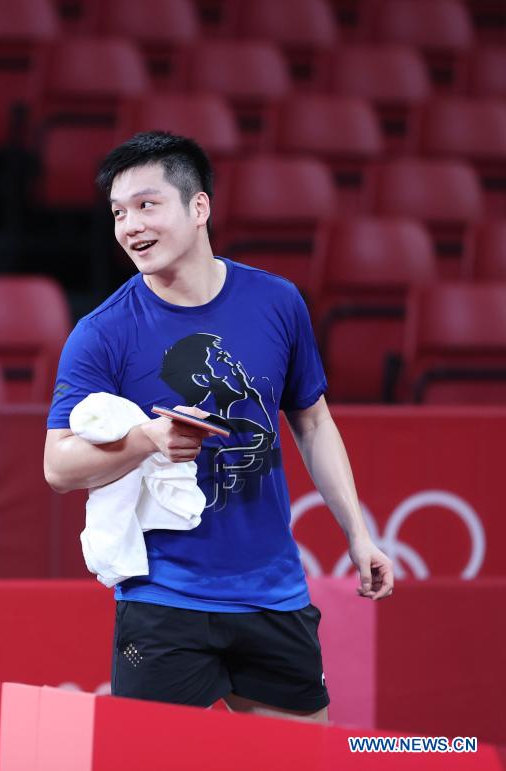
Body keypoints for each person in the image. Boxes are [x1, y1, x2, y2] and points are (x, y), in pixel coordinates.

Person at [43, 131, 393, 722]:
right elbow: (57, 466)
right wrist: (146, 440)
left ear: (198, 207)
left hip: (274, 596)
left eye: (147, 205)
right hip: (163, 600)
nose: (130, 226)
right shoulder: (102, 333)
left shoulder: (278, 303)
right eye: (118, 213)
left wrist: (357, 534)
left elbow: (311, 421)